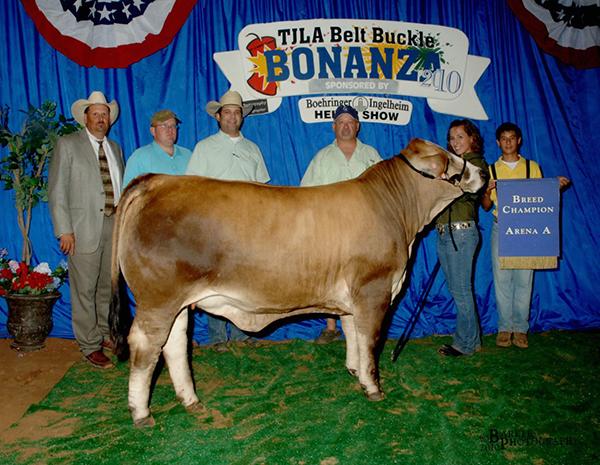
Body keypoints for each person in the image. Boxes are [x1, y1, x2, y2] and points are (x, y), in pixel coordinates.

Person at [186, 90, 270, 349]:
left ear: (241, 118)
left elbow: (262, 188)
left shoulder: (252, 148)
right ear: (218, 116)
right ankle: (217, 337)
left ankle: (242, 332)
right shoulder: (204, 147)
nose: (232, 117)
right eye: (228, 112)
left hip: (248, 222)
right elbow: (193, 187)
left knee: (244, 277)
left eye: (237, 112)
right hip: (216, 222)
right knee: (216, 279)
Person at [48, 91, 124, 369]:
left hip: (112, 225)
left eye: (105, 114)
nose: (101, 118)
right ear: (85, 117)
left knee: (107, 287)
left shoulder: (115, 148)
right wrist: (64, 230)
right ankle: (89, 344)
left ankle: (104, 333)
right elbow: (56, 191)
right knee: (84, 289)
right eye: (95, 113)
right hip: (81, 230)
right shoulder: (68, 145)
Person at [481, 122, 570, 349]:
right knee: (502, 280)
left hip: (527, 228)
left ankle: (520, 329)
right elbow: (484, 206)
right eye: (504, 138)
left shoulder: (533, 167)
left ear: (519, 140)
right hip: (501, 226)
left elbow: (540, 197)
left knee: (524, 279)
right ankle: (504, 328)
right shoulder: (490, 170)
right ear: (498, 142)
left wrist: (554, 186)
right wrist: (488, 191)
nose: (508, 142)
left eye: (512, 137)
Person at [301, 104, 382, 344]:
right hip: (331, 228)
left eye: (350, 122)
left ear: (358, 126)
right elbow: (306, 193)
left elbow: (384, 191)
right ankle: (331, 325)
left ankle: (362, 322)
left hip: (364, 227)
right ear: (333, 127)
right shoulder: (322, 156)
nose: (346, 126)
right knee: (331, 275)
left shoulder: (371, 155)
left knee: (363, 275)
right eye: (341, 122)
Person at [436, 119, 488, 357]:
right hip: (447, 232)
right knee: (458, 289)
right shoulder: (452, 165)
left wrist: (445, 180)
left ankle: (464, 345)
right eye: (452, 137)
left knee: (461, 290)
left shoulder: (475, 164)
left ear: (472, 139)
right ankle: (471, 340)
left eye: (460, 137)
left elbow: (466, 187)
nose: (454, 142)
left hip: (462, 232)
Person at [122, 109, 192, 187]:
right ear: (153, 131)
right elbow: (128, 194)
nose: (170, 130)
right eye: (164, 125)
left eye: (173, 125)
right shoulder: (139, 158)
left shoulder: (188, 155)